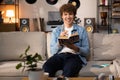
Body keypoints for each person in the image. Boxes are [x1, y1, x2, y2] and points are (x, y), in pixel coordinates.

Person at [43, 3, 90, 77]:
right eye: (65, 14)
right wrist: (59, 42)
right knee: (47, 66)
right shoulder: (56, 31)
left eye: (70, 14)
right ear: (62, 16)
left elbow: (87, 52)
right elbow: (52, 52)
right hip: (59, 56)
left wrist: (74, 47)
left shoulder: (81, 30)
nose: (68, 17)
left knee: (70, 69)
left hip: (74, 56)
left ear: (74, 16)